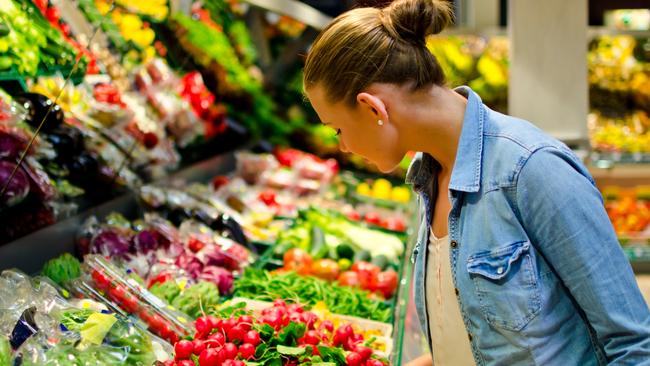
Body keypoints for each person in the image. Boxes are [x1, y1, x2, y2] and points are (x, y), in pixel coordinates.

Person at [302, 0, 650, 364]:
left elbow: (634, 344)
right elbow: (476, 332)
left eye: (338, 128)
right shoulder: (428, 176)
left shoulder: (532, 170)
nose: (342, 145)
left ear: (374, 108)